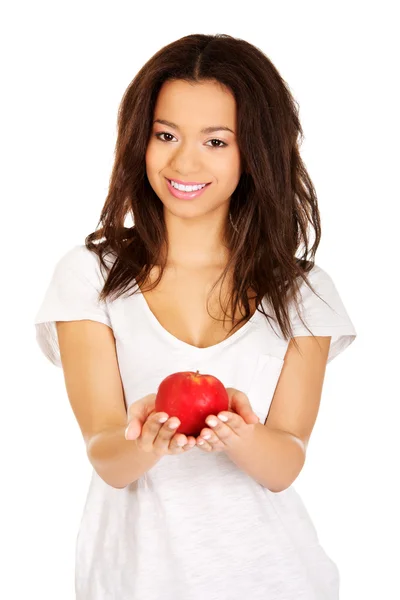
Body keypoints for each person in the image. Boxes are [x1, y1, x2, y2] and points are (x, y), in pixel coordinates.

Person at [34, 33, 357, 600]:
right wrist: (147, 442)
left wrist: (239, 436)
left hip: (278, 580)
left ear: (253, 151)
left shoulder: (304, 292)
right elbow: (108, 459)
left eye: (215, 140)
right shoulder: (90, 277)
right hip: (132, 585)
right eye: (165, 135)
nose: (185, 161)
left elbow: (284, 465)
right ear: (140, 140)